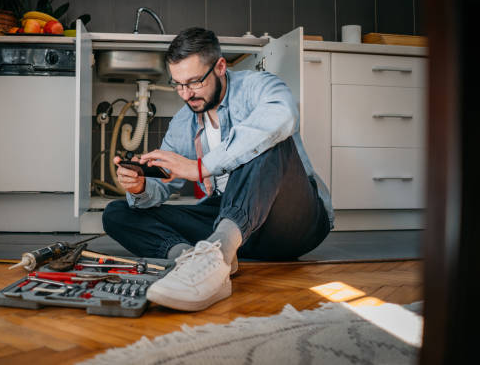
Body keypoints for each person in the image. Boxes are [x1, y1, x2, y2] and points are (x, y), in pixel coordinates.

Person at [102, 27, 334, 311]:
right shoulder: (182, 123)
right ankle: (198, 260)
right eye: (177, 84)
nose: (186, 94)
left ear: (220, 67)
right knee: (118, 213)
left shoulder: (259, 86)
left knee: (268, 140)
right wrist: (141, 188)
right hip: (231, 223)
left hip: (291, 224)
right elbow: (164, 185)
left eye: (195, 82)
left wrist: (202, 167)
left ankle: (218, 252)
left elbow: (283, 117)